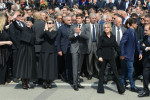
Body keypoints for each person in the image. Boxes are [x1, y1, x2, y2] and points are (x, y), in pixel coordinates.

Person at [97, 22, 125, 94]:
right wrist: (99, 56)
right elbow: (99, 48)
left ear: (110, 28)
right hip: (103, 57)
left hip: (111, 56)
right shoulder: (101, 37)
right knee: (102, 73)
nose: (106, 29)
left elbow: (116, 47)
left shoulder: (113, 36)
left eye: (107, 27)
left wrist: (121, 54)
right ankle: (100, 89)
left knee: (115, 73)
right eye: (105, 27)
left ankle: (121, 89)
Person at [13, 16, 36, 89]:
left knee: (29, 66)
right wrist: (14, 19)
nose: (28, 23)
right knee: (23, 66)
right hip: (23, 49)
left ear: (32, 24)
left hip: (30, 49)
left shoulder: (33, 31)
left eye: (29, 22)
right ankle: (23, 82)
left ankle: (28, 81)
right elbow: (16, 26)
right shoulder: (23, 28)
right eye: (27, 22)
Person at [120, 18, 142, 92]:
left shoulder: (134, 32)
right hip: (127, 55)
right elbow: (122, 43)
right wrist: (123, 54)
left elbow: (137, 44)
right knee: (130, 71)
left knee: (126, 70)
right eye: (136, 23)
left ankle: (122, 82)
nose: (137, 25)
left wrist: (140, 52)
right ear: (132, 24)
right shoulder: (128, 32)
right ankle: (132, 86)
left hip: (132, 55)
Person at [68, 14, 88, 91]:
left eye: (79, 18)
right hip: (74, 49)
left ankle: (78, 82)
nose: (78, 19)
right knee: (75, 66)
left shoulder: (86, 27)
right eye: (77, 18)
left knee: (79, 67)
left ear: (82, 19)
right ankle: (75, 84)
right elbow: (69, 37)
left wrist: (80, 33)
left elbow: (87, 37)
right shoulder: (72, 26)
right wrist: (76, 34)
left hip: (82, 49)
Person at [38, 18, 58, 89]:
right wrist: (44, 30)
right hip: (44, 50)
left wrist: (46, 31)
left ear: (53, 24)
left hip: (52, 50)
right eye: (47, 23)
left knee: (51, 67)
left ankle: (50, 81)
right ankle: (45, 81)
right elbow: (39, 36)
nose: (48, 24)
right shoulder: (45, 31)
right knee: (45, 65)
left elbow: (51, 37)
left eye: (50, 23)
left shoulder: (55, 31)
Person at [85, 13, 102, 80]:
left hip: (96, 44)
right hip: (89, 44)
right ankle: (90, 73)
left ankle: (98, 72)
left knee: (97, 59)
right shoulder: (86, 26)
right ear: (90, 19)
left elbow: (100, 36)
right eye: (93, 18)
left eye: (95, 18)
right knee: (89, 60)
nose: (94, 19)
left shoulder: (99, 25)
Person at [138, 23, 150, 97]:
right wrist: (145, 48)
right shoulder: (145, 37)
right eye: (144, 30)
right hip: (147, 60)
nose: (144, 32)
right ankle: (146, 91)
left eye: (146, 30)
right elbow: (139, 45)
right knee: (145, 76)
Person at [0, 15, 13, 84]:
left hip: (5, 51)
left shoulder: (3, 29)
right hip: (1, 52)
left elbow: (6, 27)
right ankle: (1, 81)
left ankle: (5, 80)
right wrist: (6, 42)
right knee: (2, 66)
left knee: (5, 66)